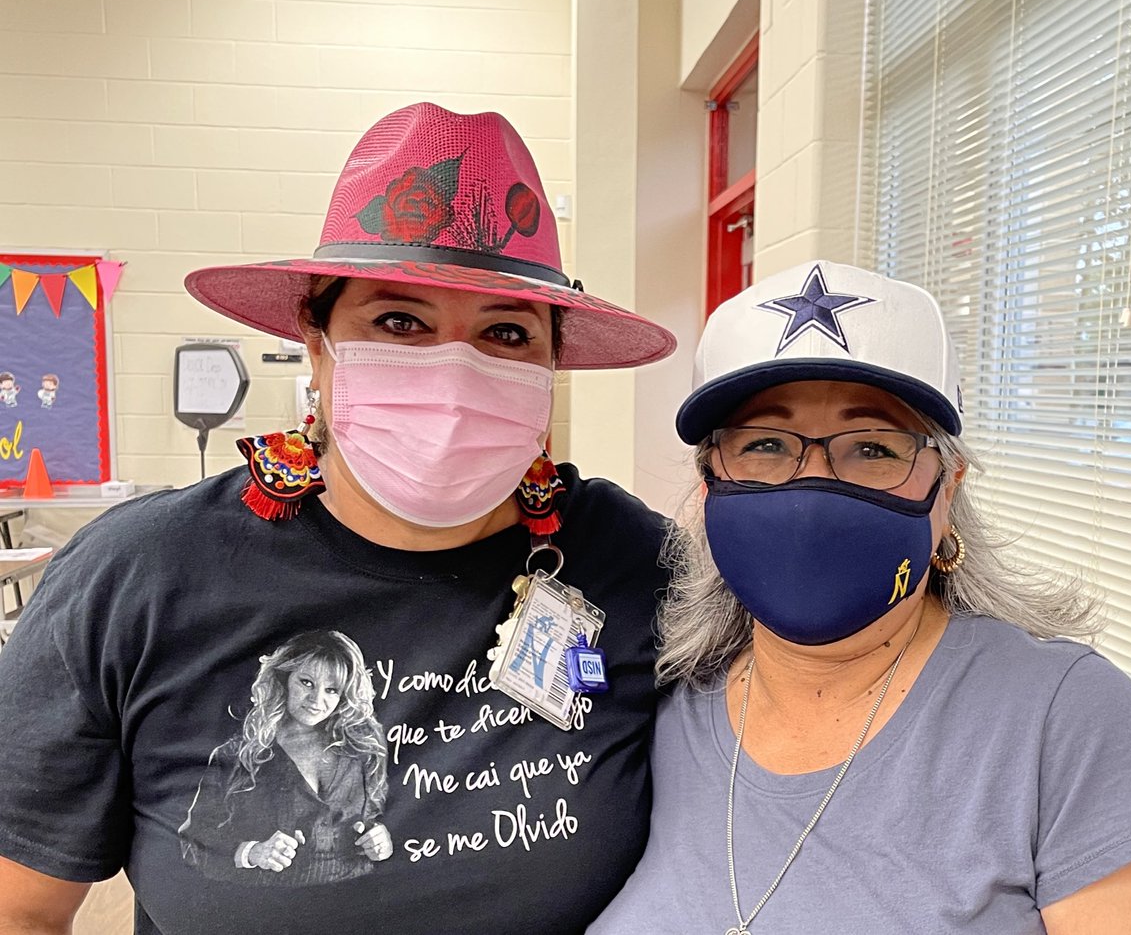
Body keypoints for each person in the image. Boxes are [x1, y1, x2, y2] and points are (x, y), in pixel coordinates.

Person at [0, 103, 676, 934]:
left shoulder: (631, 561)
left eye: (506, 332)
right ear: (315, 340)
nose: (454, 372)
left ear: (551, 363)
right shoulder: (138, 578)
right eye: (399, 322)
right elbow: (20, 909)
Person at [589, 260, 1131, 934]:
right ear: (708, 489)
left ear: (948, 493)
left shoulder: (1067, 721)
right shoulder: (664, 703)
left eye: (873, 448)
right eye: (764, 443)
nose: (812, 487)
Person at [177, 630, 392, 884]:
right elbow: (193, 842)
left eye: (332, 690)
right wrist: (252, 852)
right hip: (269, 910)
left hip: (353, 904)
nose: (317, 700)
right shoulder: (238, 755)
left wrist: (381, 842)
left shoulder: (362, 752)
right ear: (284, 678)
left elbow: (377, 822)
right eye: (307, 682)